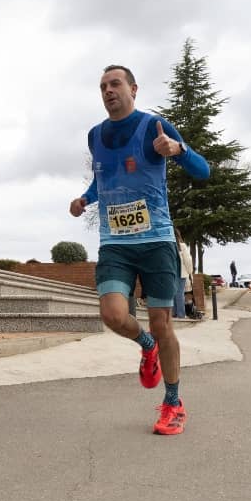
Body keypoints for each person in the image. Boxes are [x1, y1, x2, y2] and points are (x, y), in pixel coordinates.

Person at [69, 64, 210, 435]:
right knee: (113, 315)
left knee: (163, 323)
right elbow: (102, 180)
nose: (108, 90)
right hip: (115, 242)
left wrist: (178, 150)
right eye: (103, 86)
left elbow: (203, 170)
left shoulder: (154, 127)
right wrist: (85, 199)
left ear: (133, 89)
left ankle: (173, 403)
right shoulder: (95, 135)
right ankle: (146, 345)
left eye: (115, 83)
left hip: (156, 241)